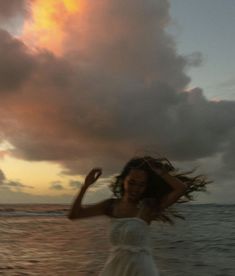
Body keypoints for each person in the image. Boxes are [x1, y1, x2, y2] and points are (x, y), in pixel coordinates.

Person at [68, 156, 210, 275]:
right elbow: (74, 215)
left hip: (141, 270)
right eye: (132, 183)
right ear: (123, 180)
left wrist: (162, 173)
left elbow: (181, 189)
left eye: (141, 185)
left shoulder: (148, 207)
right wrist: (85, 186)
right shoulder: (110, 206)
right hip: (115, 269)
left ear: (146, 187)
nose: (135, 189)